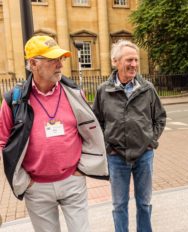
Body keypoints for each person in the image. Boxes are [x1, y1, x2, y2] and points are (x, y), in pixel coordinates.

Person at [0, 35, 108, 232]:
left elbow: (90, 132)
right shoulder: (13, 100)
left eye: (61, 59)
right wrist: (25, 182)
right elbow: (4, 143)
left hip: (73, 181)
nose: (60, 64)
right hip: (37, 187)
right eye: (52, 59)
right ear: (33, 63)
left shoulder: (75, 94)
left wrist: (81, 168)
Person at [92, 39, 166, 232]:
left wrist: (151, 140)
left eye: (136, 60)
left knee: (144, 203)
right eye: (129, 60)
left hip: (144, 155)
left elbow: (160, 118)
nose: (134, 64)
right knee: (119, 205)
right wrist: (108, 146)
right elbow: (96, 122)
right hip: (116, 157)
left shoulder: (147, 88)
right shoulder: (103, 91)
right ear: (116, 61)